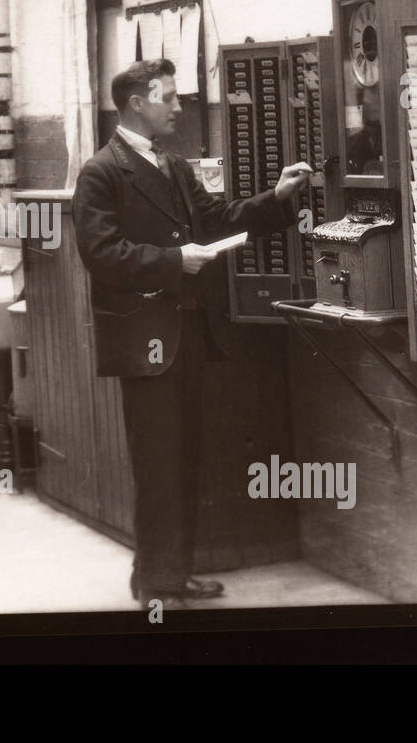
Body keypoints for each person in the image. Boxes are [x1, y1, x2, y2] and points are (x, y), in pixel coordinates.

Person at [73, 58, 312, 607]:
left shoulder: (174, 166)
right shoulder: (102, 172)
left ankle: (166, 575)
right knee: (158, 463)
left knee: (181, 458)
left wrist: (275, 198)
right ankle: (158, 581)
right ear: (139, 101)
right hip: (146, 340)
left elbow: (218, 218)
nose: (179, 106)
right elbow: (101, 254)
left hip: (186, 334)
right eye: (170, 97)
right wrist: (174, 260)